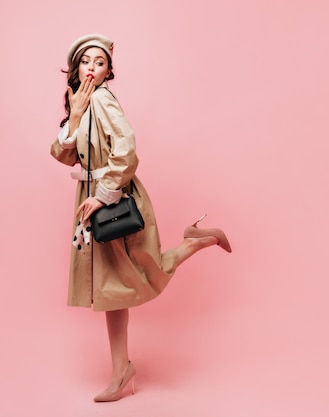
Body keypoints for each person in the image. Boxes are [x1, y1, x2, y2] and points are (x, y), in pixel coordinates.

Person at [50, 33, 232, 402]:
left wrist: (104, 195)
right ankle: (122, 370)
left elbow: (127, 147)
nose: (92, 68)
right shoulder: (83, 101)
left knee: (130, 278)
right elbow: (62, 154)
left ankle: (199, 241)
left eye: (99, 63)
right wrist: (75, 117)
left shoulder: (102, 99)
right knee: (112, 287)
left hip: (111, 198)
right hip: (92, 198)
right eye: (86, 61)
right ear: (74, 67)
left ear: (108, 72)